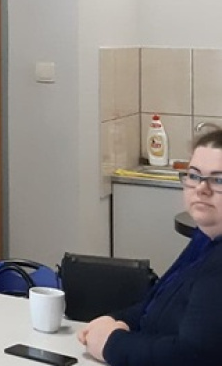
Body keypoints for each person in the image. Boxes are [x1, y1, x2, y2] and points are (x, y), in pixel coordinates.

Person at [77, 130, 222, 365]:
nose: (201, 188)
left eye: (218, 180)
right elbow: (157, 303)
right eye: (194, 176)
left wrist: (111, 344)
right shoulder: (205, 238)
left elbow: (191, 356)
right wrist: (117, 321)